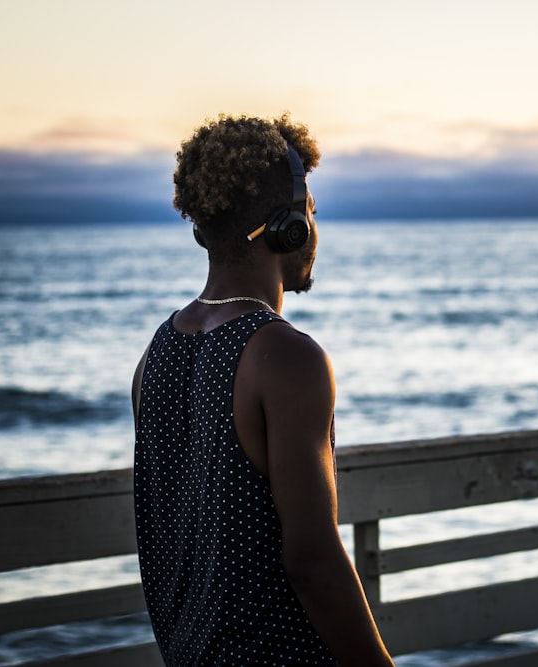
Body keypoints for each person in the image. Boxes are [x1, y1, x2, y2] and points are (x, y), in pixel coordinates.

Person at [131, 113, 394, 666]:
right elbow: (312, 560)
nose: (315, 231)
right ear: (287, 227)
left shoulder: (154, 356)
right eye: (311, 214)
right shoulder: (287, 357)